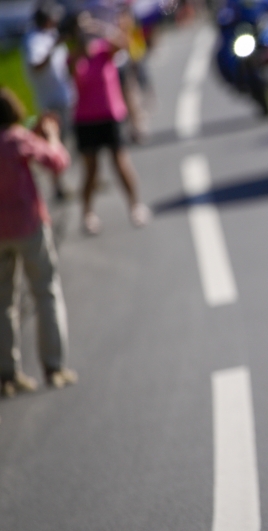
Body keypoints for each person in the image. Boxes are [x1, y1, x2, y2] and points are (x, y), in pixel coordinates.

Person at [0, 87, 78, 396]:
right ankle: (54, 365)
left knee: (4, 303)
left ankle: (8, 373)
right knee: (46, 292)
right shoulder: (17, 139)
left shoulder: (16, 139)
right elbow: (57, 161)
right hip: (29, 226)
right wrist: (51, 135)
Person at [66, 11, 150, 235]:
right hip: (85, 120)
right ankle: (87, 214)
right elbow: (71, 71)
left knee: (120, 162)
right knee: (91, 170)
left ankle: (135, 205)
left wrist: (97, 27)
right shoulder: (74, 57)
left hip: (110, 116)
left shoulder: (104, 51)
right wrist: (78, 41)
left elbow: (123, 44)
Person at [24, 1, 75, 200]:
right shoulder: (34, 40)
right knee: (54, 144)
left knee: (66, 141)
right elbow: (36, 65)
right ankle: (58, 186)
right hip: (49, 100)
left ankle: (63, 182)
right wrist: (54, 46)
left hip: (62, 96)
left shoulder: (50, 36)